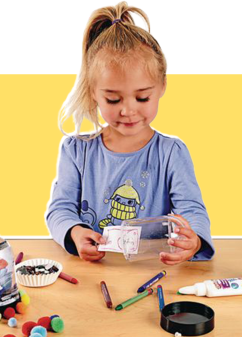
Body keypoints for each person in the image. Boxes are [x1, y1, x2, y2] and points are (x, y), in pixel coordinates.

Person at [45, 2, 214, 265]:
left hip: (150, 271)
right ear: (93, 92)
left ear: (161, 87)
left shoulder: (171, 152)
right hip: (92, 272)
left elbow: (191, 210)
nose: (128, 110)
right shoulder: (75, 150)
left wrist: (193, 241)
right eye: (113, 100)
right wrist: (74, 233)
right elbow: (60, 209)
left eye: (142, 97)